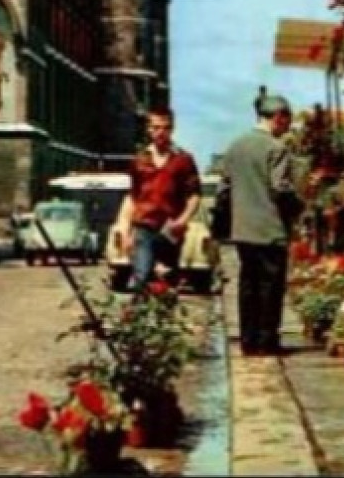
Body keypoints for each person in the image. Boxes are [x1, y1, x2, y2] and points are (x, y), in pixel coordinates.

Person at [221, 92, 302, 356]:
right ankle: (266, 341)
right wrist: (298, 209)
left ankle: (248, 340)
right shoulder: (275, 149)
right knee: (270, 287)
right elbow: (280, 188)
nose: (288, 126)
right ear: (278, 118)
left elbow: (225, 188)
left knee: (248, 285)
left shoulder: (235, 146)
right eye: (287, 120)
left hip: (242, 230)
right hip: (270, 229)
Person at [118, 109, 202, 291]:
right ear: (148, 129)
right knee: (143, 274)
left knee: (167, 279)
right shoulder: (139, 160)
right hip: (144, 226)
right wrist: (124, 230)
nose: (160, 133)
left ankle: (164, 317)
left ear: (172, 129)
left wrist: (182, 221)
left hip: (170, 229)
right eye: (155, 128)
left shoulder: (183, 160)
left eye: (165, 128)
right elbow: (132, 196)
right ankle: (140, 316)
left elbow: (194, 196)